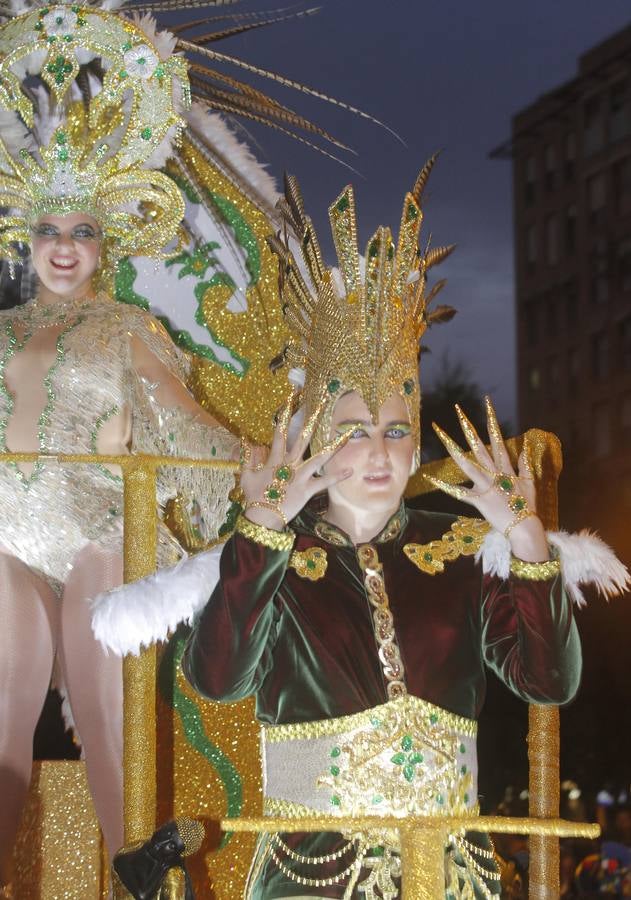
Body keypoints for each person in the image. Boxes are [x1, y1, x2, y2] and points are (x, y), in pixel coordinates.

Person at [182, 171, 628, 898]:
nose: (381, 453)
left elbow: (548, 682)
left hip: (454, 874)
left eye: (395, 430)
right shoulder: (272, 556)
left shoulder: (458, 551)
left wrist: (525, 546)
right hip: (314, 876)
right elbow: (217, 680)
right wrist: (260, 529)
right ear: (318, 438)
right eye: (355, 433)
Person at [0, 9, 237, 893]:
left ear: (106, 243)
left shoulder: (127, 326)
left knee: (105, 711)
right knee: (2, 719)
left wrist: (253, 461)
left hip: (99, 531)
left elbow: (176, 416)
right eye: (52, 231)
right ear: (29, 238)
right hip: (8, 543)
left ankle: (148, 876)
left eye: (84, 232)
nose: (65, 249)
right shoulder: (1, 330)